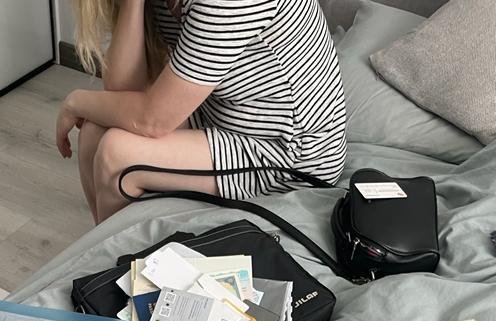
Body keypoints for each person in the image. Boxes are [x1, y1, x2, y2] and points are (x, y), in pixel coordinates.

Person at [57, 0, 347, 222]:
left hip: (291, 152)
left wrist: (75, 102)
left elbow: (152, 120)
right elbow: (124, 90)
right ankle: (108, 259)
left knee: (116, 154)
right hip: (223, 112)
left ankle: (117, 267)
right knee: (95, 130)